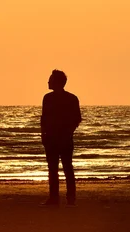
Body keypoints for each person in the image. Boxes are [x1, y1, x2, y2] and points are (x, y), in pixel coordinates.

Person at [40, 69, 82, 207]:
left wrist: (67, 132)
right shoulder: (48, 98)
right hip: (53, 138)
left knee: (65, 168)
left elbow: (76, 119)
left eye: (51, 79)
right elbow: (44, 119)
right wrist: (44, 135)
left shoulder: (71, 99)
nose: (48, 81)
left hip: (63, 138)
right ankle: (55, 198)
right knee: (55, 169)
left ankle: (69, 198)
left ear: (57, 82)